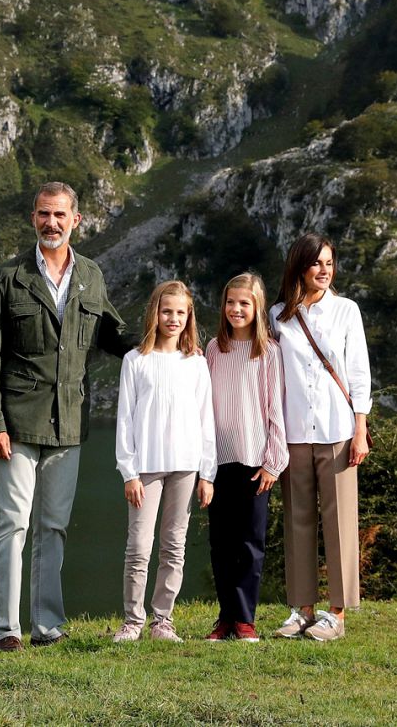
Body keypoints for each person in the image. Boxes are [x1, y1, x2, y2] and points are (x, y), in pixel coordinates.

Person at [0, 182, 131, 652]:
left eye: (60, 215)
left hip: (69, 422)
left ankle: (47, 627)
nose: (52, 223)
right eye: (44, 214)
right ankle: (6, 629)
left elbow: (112, 334)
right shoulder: (7, 278)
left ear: (76, 220)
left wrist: (164, 345)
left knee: (54, 526)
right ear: (32, 218)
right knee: (12, 523)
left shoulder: (91, 276)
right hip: (17, 421)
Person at [268, 233, 371, 642]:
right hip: (294, 432)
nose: (324, 270)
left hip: (338, 431)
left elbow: (359, 373)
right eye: (316, 263)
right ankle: (302, 610)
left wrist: (361, 428)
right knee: (298, 521)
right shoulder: (278, 315)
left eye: (329, 263)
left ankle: (337, 614)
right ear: (300, 267)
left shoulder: (347, 311)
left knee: (340, 523)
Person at [112, 280, 216, 643]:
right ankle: (132, 620)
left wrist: (208, 473)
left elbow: (207, 422)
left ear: (189, 318)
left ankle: (163, 621)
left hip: (186, 466)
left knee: (174, 545)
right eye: (166, 311)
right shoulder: (135, 361)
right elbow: (125, 419)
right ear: (154, 313)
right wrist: (129, 471)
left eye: (181, 313)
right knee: (139, 545)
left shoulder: (196, 364)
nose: (173, 318)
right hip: (146, 467)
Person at [202, 272, 288, 643]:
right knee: (221, 542)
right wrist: (202, 463)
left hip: (256, 460)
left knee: (250, 543)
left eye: (244, 303)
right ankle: (225, 618)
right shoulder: (212, 350)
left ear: (258, 308)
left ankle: (246, 619)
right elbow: (203, 408)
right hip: (219, 460)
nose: (236, 309)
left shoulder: (268, 352)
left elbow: (276, 410)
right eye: (231, 302)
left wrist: (273, 460)